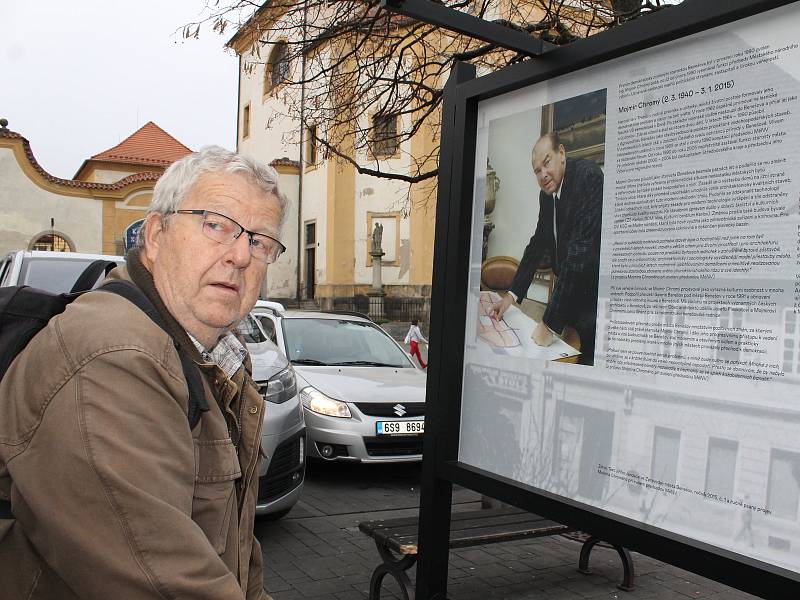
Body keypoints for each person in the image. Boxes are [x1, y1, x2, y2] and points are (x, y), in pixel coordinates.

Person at [0, 146, 287, 599]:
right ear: (156, 235)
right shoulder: (114, 356)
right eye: (216, 225)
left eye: (259, 240)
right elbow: (164, 581)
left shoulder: (212, 355)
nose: (240, 255)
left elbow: (237, 548)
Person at [490, 131, 603, 365]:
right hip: (566, 297)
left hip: (590, 299)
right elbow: (537, 244)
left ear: (561, 153)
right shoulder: (547, 195)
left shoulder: (588, 177)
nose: (543, 175)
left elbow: (578, 256)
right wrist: (511, 295)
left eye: (547, 163)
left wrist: (548, 322)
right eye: (537, 171)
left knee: (581, 366)